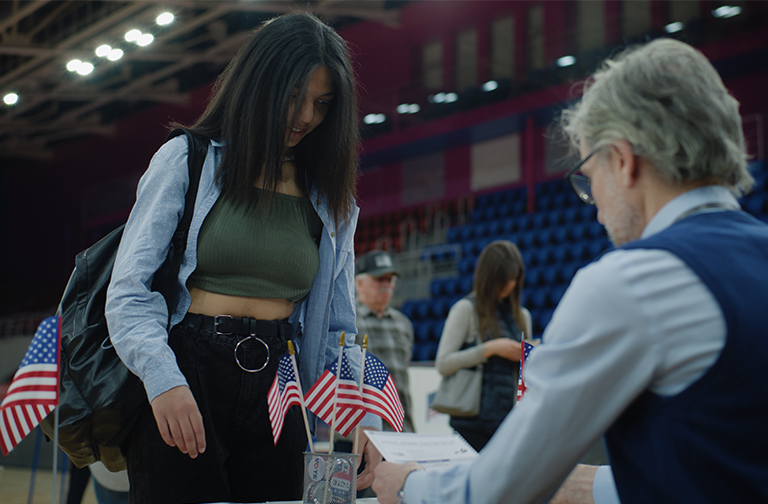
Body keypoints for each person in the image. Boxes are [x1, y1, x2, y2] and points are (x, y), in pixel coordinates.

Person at [372, 38, 768, 504]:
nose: (595, 207)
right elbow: (724, 460)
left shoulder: (633, 281)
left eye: (588, 176)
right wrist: (598, 486)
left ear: (622, 161)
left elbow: (495, 493)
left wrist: (410, 485)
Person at [105, 12, 381, 504]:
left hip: (284, 381)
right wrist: (163, 380)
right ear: (258, 84)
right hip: (187, 369)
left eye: (322, 104)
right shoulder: (185, 159)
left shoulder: (330, 199)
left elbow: (340, 328)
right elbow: (129, 291)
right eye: (294, 97)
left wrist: (364, 414)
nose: (306, 117)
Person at [434, 240, 532, 451]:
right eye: (503, 280)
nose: (509, 286)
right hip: (471, 424)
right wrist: (490, 349)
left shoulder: (522, 316)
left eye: (513, 279)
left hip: (510, 422)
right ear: (489, 278)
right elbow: (443, 363)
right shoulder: (465, 309)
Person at [354, 250, 415, 433]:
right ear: (359, 283)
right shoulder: (349, 322)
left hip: (400, 426)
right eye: (379, 279)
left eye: (389, 280)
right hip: (359, 431)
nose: (386, 285)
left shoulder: (403, 323)